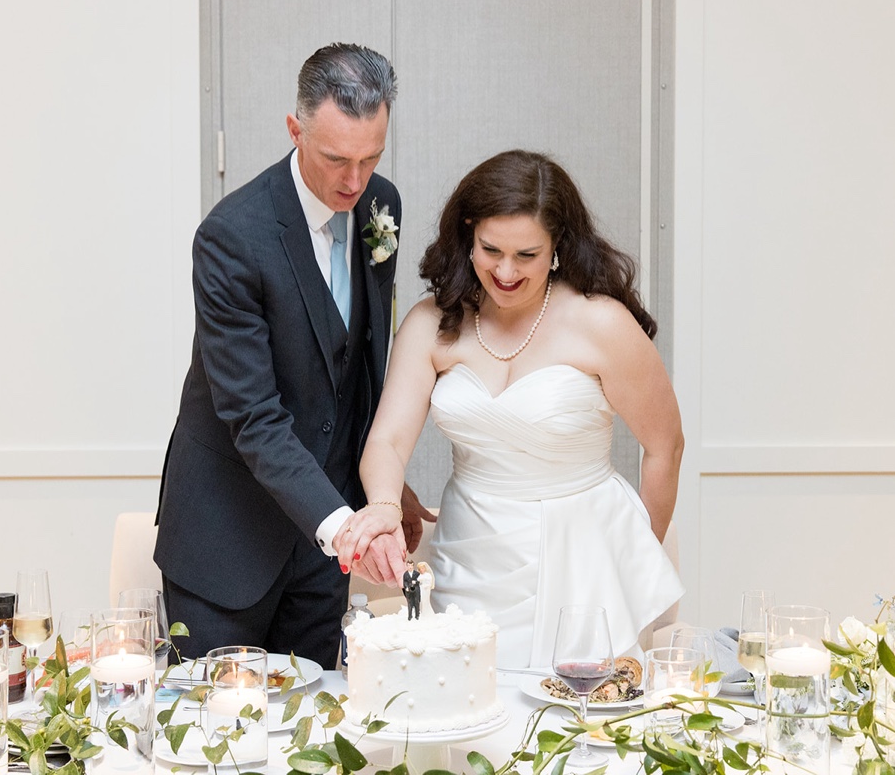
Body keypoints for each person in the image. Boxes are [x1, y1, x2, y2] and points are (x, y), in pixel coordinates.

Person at [336, 150, 685, 667]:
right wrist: (385, 505)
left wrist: (633, 553)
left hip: (580, 555)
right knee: (461, 698)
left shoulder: (602, 324)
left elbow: (665, 446)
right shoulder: (432, 323)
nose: (504, 270)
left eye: (527, 255)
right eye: (490, 249)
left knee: (575, 726)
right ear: (468, 235)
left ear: (558, 247)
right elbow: (386, 441)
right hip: (468, 551)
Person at [154, 43, 423, 666]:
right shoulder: (232, 237)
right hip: (228, 539)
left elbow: (360, 367)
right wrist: (344, 527)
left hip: (325, 546)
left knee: (314, 737)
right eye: (335, 159)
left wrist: (384, 491)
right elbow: (253, 416)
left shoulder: (382, 206)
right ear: (294, 129)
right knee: (220, 739)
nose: (353, 181)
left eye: (370, 157)